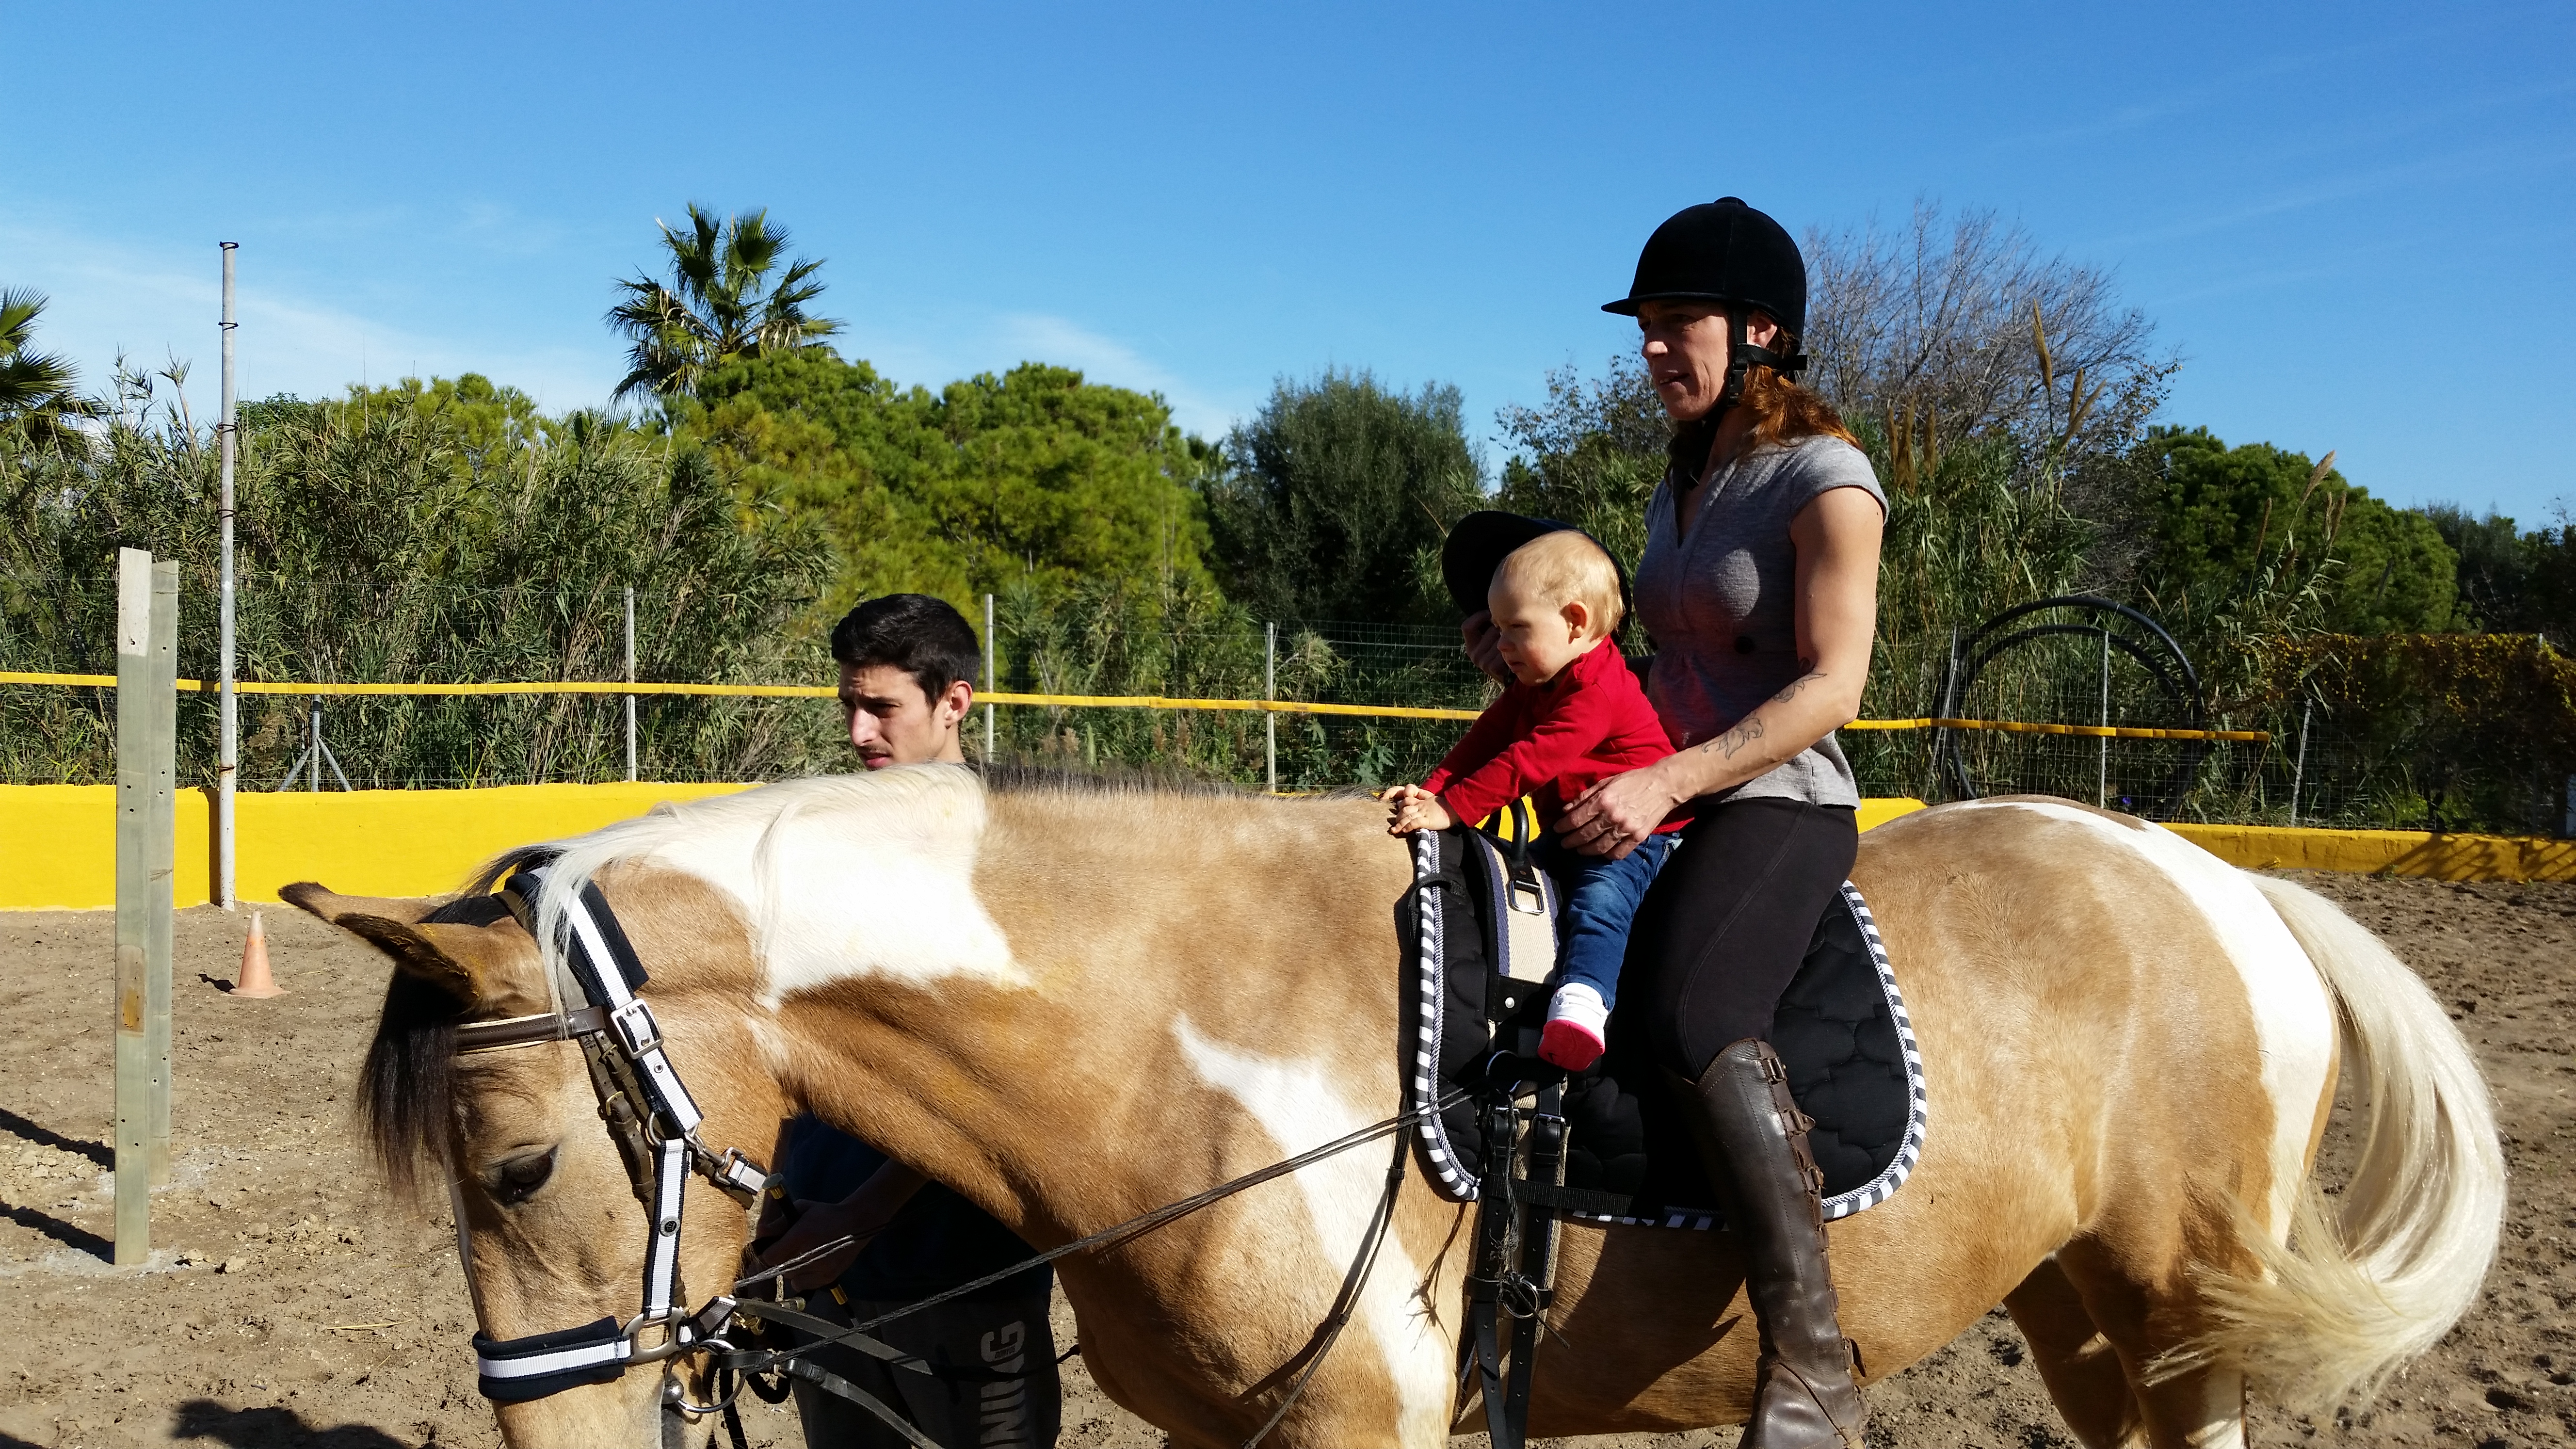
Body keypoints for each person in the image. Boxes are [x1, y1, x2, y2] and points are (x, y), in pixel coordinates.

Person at [1460, 198, 1886, 1449]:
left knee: (1698, 1015)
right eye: (1641, 328)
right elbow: (1650, 664)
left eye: (1672, 324)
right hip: (1659, 776)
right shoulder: (1682, 484)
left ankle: (1812, 1362)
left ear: (1759, 332)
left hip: (1776, 798)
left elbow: (1830, 683)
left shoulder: (1827, 478)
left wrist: (1664, 782)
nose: (1649, 348)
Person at [749, 593, 1062, 1449]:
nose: (857, 731)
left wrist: (856, 1219)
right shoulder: (823, 847)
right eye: (849, 704)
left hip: (964, 1276)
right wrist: (776, 1203)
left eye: (881, 706)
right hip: (821, 1272)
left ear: (953, 701)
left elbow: (998, 1083)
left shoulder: (1011, 863)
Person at [1383, 528, 1681, 1071]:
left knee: (1599, 901)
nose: (1500, 647)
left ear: (1575, 621)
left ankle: (1583, 1003)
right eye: (1497, 629)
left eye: (1516, 629)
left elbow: (1529, 760)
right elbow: (1487, 737)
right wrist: (1433, 787)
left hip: (1635, 841)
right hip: (1569, 828)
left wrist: (1453, 809)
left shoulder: (1598, 692)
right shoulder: (1541, 681)